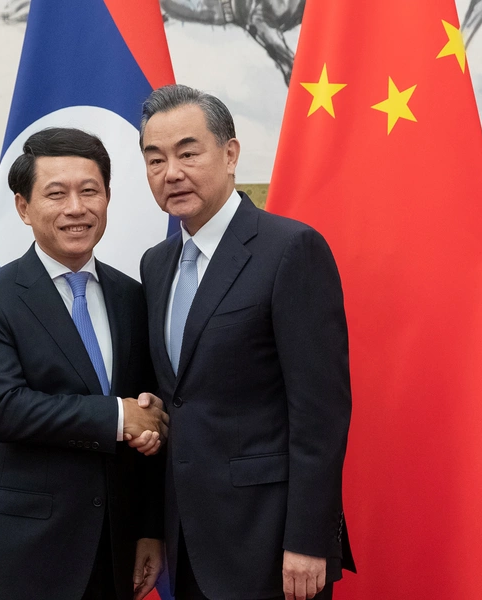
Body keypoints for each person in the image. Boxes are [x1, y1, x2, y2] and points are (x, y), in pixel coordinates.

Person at [136, 85, 355, 600]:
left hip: (270, 541)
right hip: (186, 538)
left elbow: (320, 413)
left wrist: (308, 540)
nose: (172, 173)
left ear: (230, 154)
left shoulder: (290, 249)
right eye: (155, 159)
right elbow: (177, 395)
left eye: (188, 153)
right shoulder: (156, 264)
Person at [0, 127, 167, 600]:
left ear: (107, 197)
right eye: (56, 193)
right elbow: (5, 409)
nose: (75, 208)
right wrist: (118, 416)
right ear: (24, 208)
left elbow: (145, 410)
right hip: (21, 550)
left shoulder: (132, 296)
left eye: (90, 191)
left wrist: (150, 528)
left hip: (112, 548)